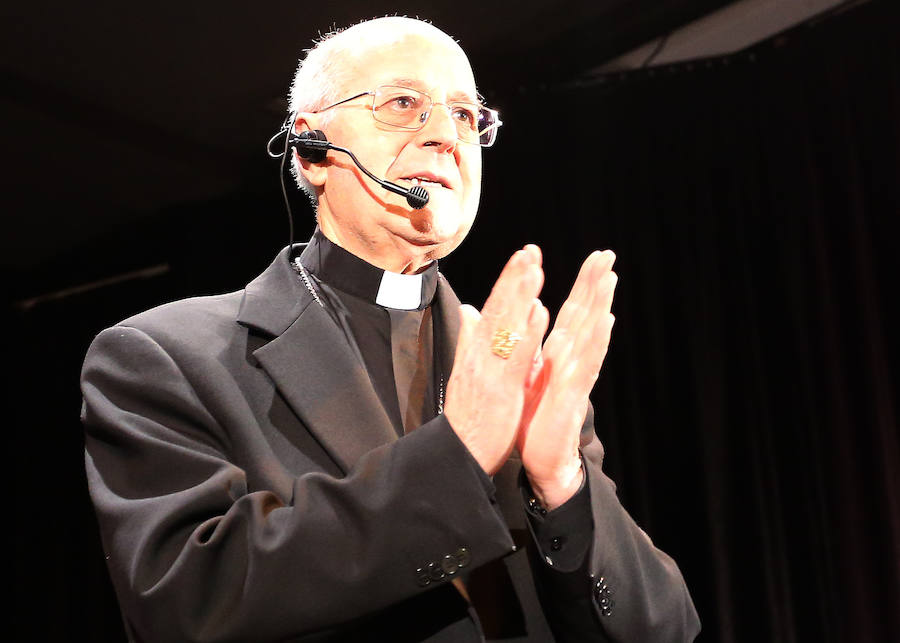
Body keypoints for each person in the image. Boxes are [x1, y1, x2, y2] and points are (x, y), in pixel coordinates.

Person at [80, 16, 700, 642]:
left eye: (465, 116)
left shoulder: (516, 369)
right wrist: (457, 458)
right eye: (405, 103)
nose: (444, 136)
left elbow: (665, 629)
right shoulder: (166, 357)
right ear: (312, 149)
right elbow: (187, 605)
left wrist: (561, 481)